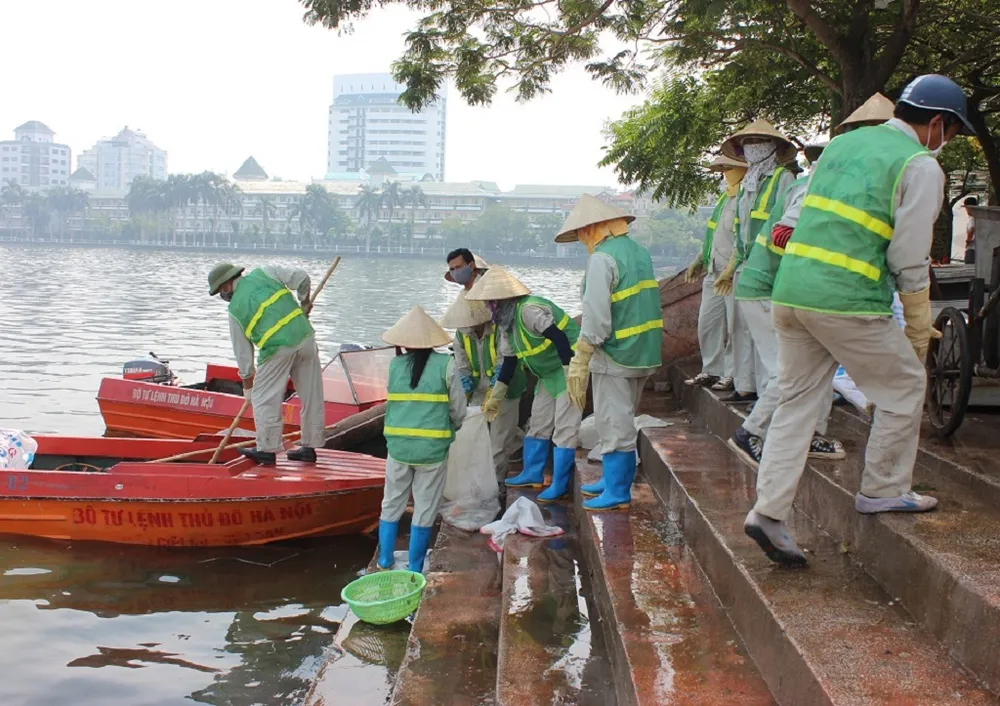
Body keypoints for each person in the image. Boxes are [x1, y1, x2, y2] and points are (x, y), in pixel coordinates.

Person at [744, 74, 973, 566]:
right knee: (906, 387)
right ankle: (884, 488)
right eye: (950, 134)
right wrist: (916, 320)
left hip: (792, 292)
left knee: (798, 403)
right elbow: (910, 255)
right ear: (937, 124)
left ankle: (768, 512)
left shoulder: (841, 148)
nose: (945, 144)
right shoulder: (920, 165)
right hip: (847, 298)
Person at [731, 143, 845, 467]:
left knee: (818, 364)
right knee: (789, 372)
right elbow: (784, 235)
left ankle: (810, 434)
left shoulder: (814, 188)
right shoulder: (810, 188)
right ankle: (750, 431)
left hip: (781, 289)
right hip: (766, 288)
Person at [556, 194, 663, 511]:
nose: (582, 240)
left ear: (593, 228)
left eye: (582, 233)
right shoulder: (638, 252)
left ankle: (617, 490)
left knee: (614, 424)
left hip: (615, 354)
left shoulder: (602, 259)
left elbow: (597, 318)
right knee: (622, 417)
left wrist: (581, 357)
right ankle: (613, 481)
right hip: (643, 351)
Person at [465, 266, 581, 503]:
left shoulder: (528, 310)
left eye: (490, 302)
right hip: (548, 375)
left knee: (564, 427)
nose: (488, 308)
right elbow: (508, 362)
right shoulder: (508, 324)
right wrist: (496, 395)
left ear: (501, 300)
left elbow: (559, 337)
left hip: (569, 367)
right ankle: (532, 473)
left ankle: (559, 484)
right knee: (538, 421)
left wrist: (571, 371)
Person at [377, 306, 466, 573]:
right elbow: (458, 410)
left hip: (398, 447)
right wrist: (452, 427)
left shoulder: (394, 366)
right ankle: (416, 566)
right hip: (432, 451)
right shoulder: (447, 365)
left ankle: (385, 561)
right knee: (425, 508)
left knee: (391, 503)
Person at [208, 262, 324, 466]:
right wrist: (304, 303)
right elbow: (302, 277)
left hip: (276, 349)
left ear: (226, 285)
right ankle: (309, 447)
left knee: (263, 400)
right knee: (311, 396)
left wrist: (248, 386)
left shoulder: (234, 310)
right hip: (305, 337)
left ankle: (267, 450)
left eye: (219, 291)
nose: (222, 296)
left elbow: (243, 355)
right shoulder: (266, 272)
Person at [715, 120, 797, 403]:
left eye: (758, 143)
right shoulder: (748, 181)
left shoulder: (782, 178)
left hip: (769, 265)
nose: (752, 148)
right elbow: (741, 227)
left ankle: (766, 392)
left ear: (772, 146)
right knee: (739, 327)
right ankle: (744, 384)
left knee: (766, 334)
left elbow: (785, 222)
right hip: (743, 265)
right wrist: (730, 267)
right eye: (747, 144)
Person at [439, 292, 526, 484]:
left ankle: (495, 488)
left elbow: (504, 364)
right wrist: (465, 392)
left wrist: (495, 393)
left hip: (506, 390)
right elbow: (462, 368)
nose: (467, 326)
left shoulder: (499, 330)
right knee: (476, 441)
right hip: (478, 392)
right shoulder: (461, 335)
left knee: (498, 445)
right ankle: (477, 484)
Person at [684, 154, 747, 391]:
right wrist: (700, 259)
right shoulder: (724, 198)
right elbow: (714, 234)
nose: (725, 172)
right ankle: (711, 369)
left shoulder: (746, 198)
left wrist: (731, 268)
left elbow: (744, 237)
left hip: (733, 271)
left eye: (729, 167)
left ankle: (732, 374)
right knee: (707, 322)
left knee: (735, 325)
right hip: (713, 269)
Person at [964, 196, 978, 264]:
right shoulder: (979, 217)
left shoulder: (972, 218)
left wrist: (968, 241)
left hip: (972, 248)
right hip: (977, 247)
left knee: (969, 266)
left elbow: (971, 229)